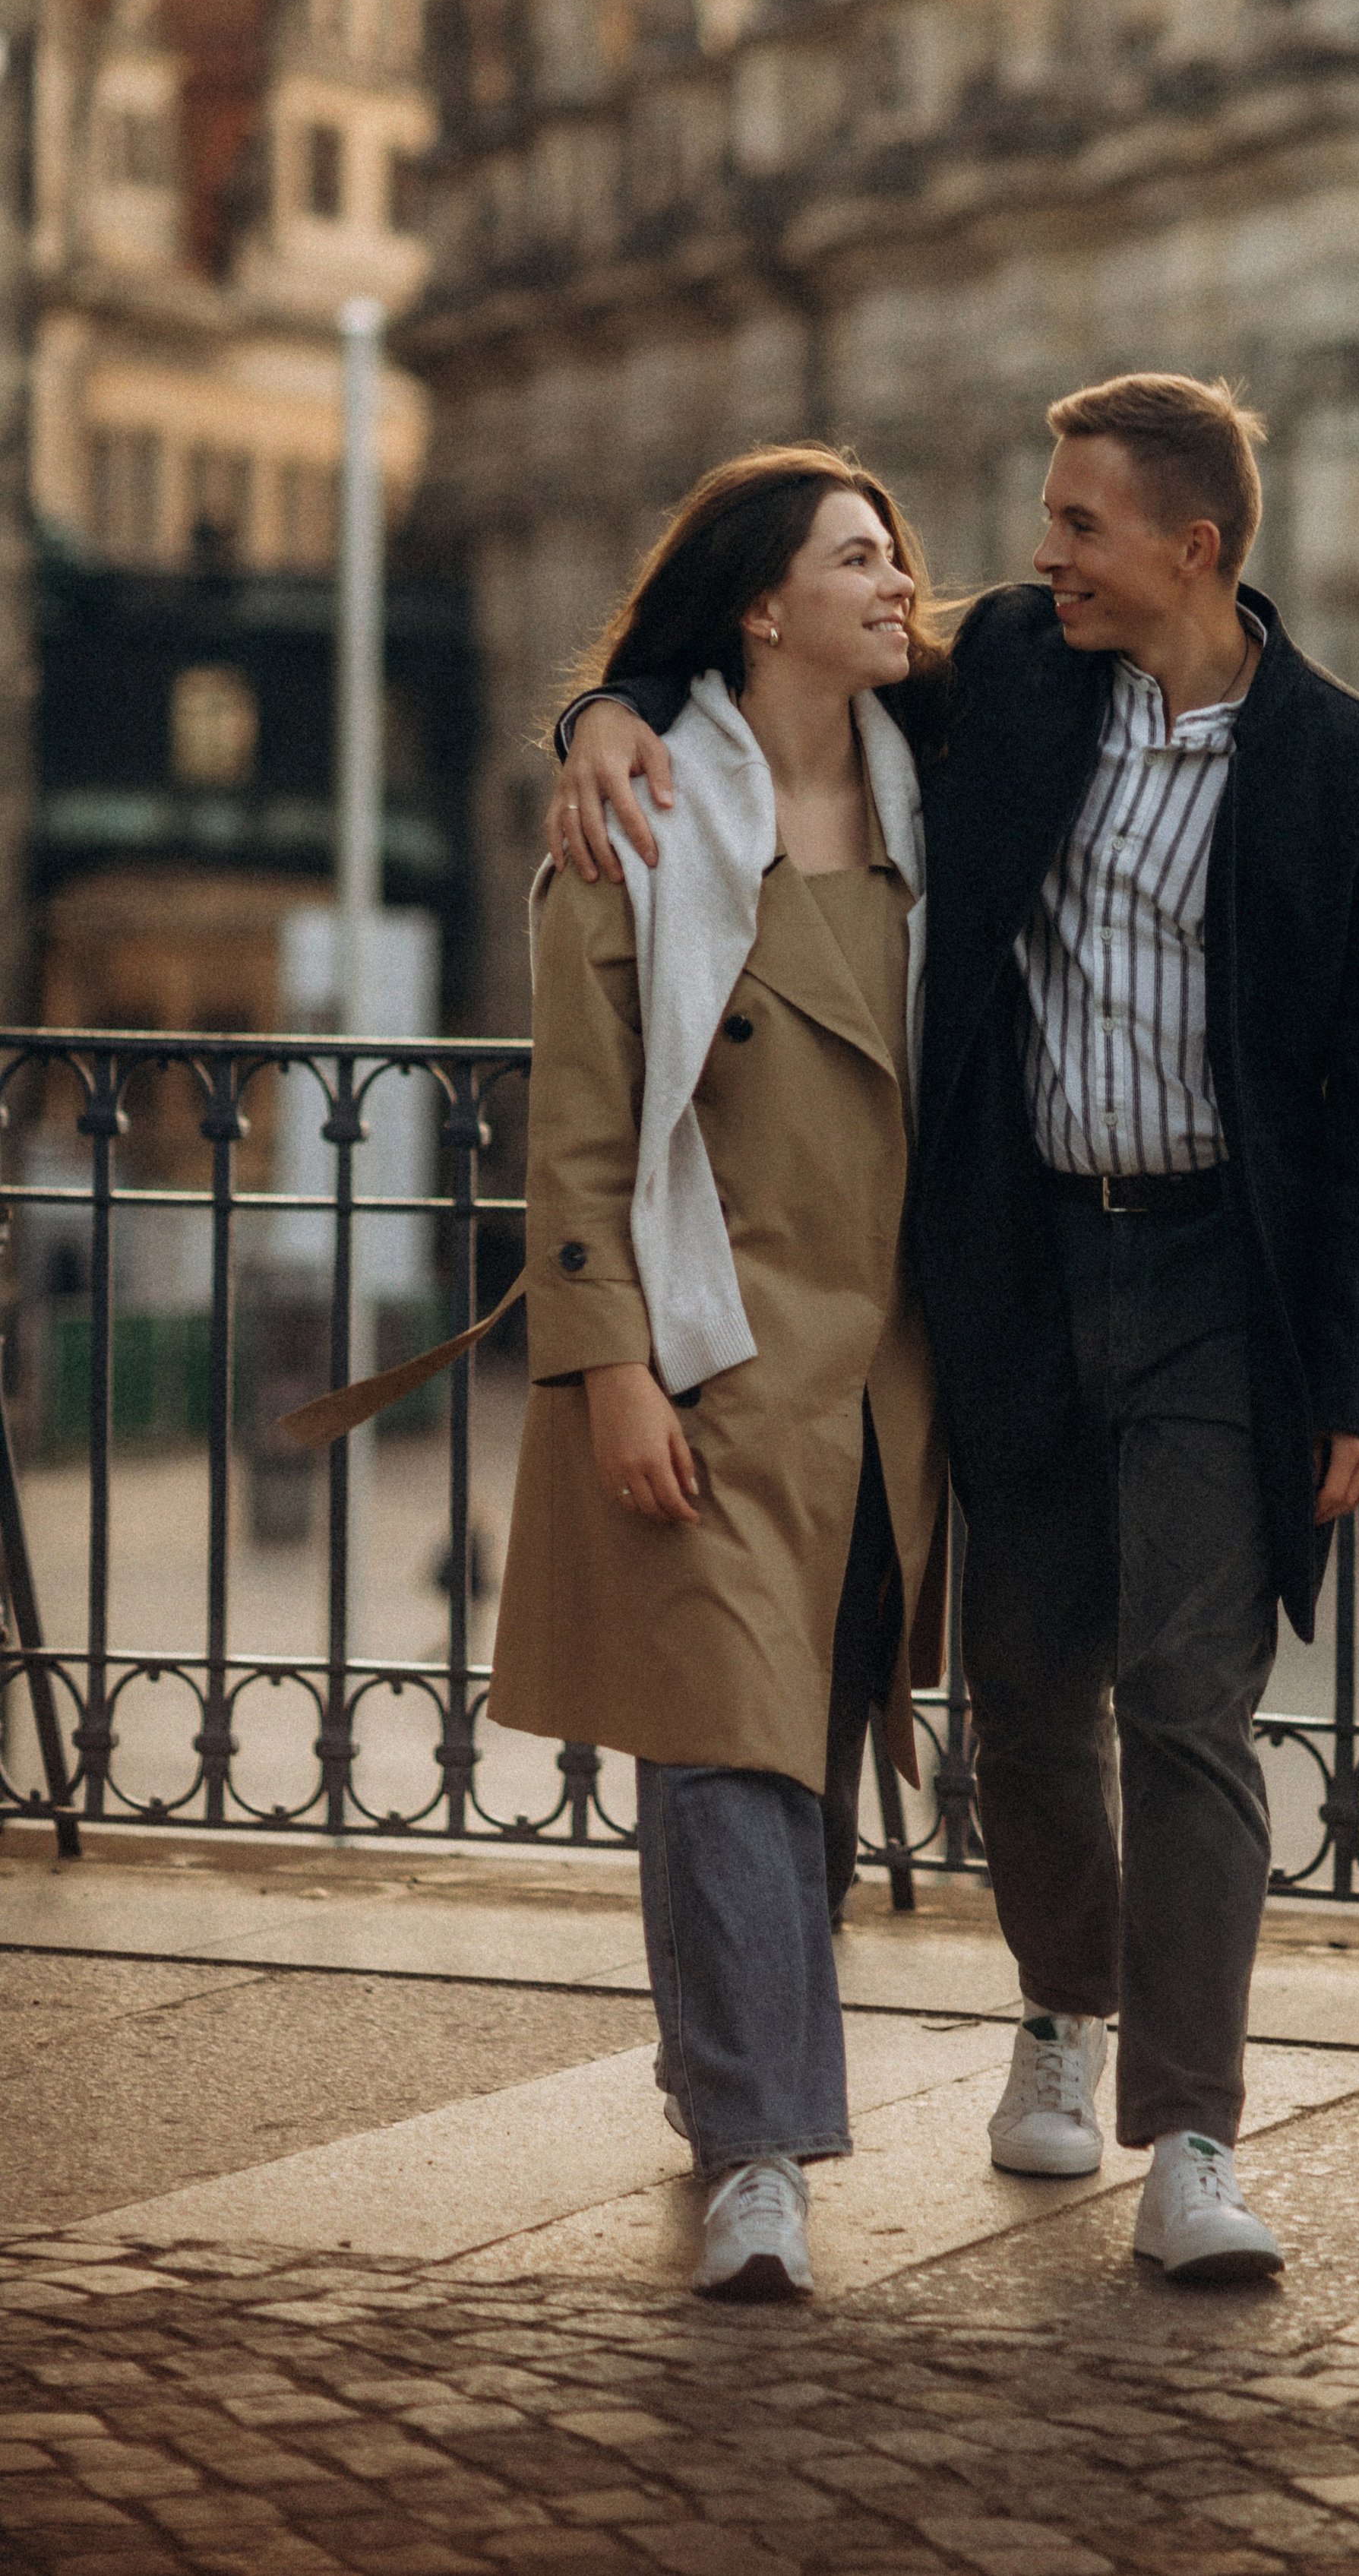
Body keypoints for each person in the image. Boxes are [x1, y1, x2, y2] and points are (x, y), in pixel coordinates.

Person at [549, 375, 1359, 2286]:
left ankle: (1192, 2134)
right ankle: (1062, 2003)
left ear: (1187, 549)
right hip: (1021, 1275)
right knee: (1028, 1699)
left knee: (1190, 1704)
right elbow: (766, 643)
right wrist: (599, 709)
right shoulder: (1014, 680)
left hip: (1226, 1288)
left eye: (1074, 526)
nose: (1023, 560)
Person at [498, 444, 949, 2301]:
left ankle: (727, 2085)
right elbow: (583, 1113)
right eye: (859, 556)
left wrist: (591, 698)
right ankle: (762, 2151)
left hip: (895, 1362)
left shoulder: (952, 774)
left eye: (900, 551)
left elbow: (1116, 626)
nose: (900, 581)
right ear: (762, 605)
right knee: (722, 1753)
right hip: (707, 1339)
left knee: (808, 1751)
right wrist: (608, 1360)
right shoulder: (649, 817)